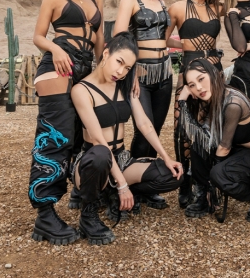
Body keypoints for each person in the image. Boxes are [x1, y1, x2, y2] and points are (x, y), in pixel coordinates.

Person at [166, 0, 250, 208]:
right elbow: (163, 38)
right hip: (190, 67)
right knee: (184, 129)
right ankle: (187, 185)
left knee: (213, 124)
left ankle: (211, 184)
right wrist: (184, 45)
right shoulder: (177, 7)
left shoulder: (218, 8)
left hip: (214, 69)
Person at [70, 32, 183, 245]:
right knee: (100, 155)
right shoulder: (81, 90)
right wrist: (122, 185)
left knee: (172, 175)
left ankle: (112, 194)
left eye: (128, 68)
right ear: (106, 54)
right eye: (119, 62)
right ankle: (88, 215)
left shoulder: (124, 85)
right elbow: (98, 139)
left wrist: (166, 157)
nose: (121, 72)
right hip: (92, 162)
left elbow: (144, 124)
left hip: (121, 158)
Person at [28, 0, 105, 245]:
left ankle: (81, 195)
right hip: (57, 65)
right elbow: (38, 36)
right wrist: (56, 49)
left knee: (81, 135)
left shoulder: (97, 0)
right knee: (54, 138)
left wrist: (103, 71)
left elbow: (99, 43)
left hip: (85, 69)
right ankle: (45, 214)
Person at [177, 58, 250, 222]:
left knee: (219, 174)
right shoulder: (212, 98)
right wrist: (183, 102)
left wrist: (214, 178)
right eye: (192, 85)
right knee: (198, 146)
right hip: (239, 150)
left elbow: (223, 148)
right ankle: (205, 196)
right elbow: (197, 133)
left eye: (201, 79)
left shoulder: (233, 103)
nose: (199, 88)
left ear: (213, 75)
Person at [113, 0, 173, 209]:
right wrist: (132, 70)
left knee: (155, 130)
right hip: (141, 74)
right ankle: (131, 187)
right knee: (143, 129)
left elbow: (164, 39)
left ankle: (148, 187)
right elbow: (119, 36)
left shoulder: (160, 2)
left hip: (165, 72)